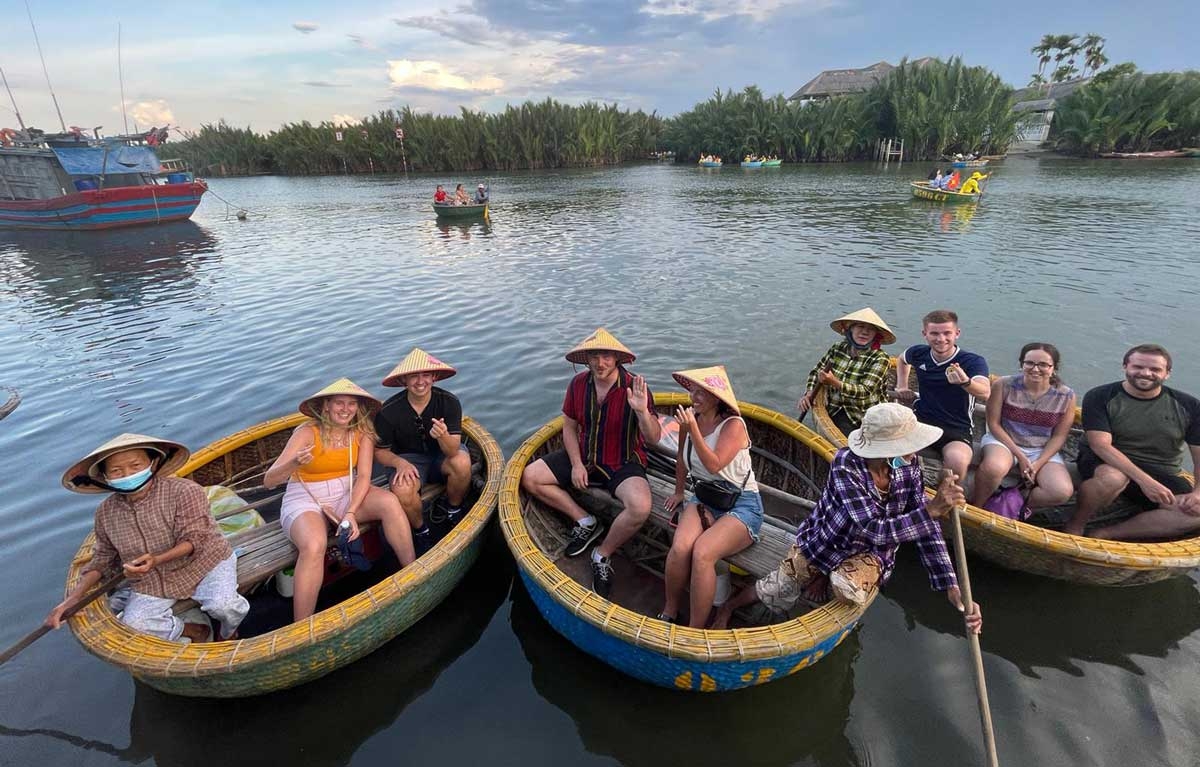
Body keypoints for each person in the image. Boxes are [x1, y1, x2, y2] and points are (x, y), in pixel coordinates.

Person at [712, 403, 982, 635]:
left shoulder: (908, 467)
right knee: (779, 586)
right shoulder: (846, 465)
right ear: (885, 450)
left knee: (846, 588)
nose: (914, 454)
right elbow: (872, 527)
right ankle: (729, 606)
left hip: (871, 551)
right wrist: (930, 511)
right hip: (825, 540)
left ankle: (826, 575)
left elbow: (926, 528)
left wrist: (951, 584)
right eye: (907, 448)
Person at [48, 434, 249, 643]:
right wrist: (73, 598)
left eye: (135, 466)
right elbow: (102, 559)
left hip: (206, 562)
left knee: (224, 606)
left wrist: (156, 559)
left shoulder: (184, 491)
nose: (127, 474)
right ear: (105, 477)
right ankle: (194, 630)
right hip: (153, 579)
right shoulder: (105, 513)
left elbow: (194, 540)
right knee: (135, 625)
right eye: (116, 471)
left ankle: (229, 631)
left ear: (153, 463)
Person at [520, 328, 661, 598]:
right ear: (586, 359)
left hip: (622, 461)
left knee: (640, 507)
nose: (600, 363)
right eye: (594, 356)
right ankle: (585, 521)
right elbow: (569, 427)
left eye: (606, 356)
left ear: (617, 358)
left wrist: (642, 411)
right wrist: (575, 463)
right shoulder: (578, 384)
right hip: (585, 455)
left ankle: (601, 554)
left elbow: (653, 438)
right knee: (530, 477)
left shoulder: (634, 387)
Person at [264, 379, 415, 622]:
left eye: (351, 404)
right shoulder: (306, 433)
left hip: (346, 492)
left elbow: (363, 477)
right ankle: (301, 624)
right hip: (305, 497)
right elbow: (269, 481)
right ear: (326, 406)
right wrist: (294, 463)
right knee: (314, 544)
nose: (345, 409)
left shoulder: (362, 432)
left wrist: (351, 513)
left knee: (389, 502)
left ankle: (412, 573)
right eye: (339, 403)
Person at [660, 366, 762, 627]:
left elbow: (714, 464)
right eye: (692, 390)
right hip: (704, 496)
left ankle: (695, 629)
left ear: (717, 398)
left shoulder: (734, 425)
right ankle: (670, 610)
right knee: (680, 548)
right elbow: (681, 459)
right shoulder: (690, 420)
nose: (694, 397)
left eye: (701, 392)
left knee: (702, 553)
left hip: (742, 503)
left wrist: (693, 428)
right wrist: (679, 492)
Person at [1063, 344, 1200, 539]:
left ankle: (1104, 534)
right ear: (1125, 367)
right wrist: (1146, 482)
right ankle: (1076, 524)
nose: (1146, 373)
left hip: (1160, 469)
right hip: (1106, 460)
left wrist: (1197, 494)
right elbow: (1101, 445)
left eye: (1155, 369)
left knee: (1195, 514)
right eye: (1138, 367)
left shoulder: (1189, 405)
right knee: (1113, 478)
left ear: (1167, 373)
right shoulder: (1100, 396)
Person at [374, 349, 473, 555]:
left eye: (426, 375)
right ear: (404, 380)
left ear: (434, 377)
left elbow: (453, 450)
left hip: (442, 456)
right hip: (407, 459)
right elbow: (380, 452)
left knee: (462, 462)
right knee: (402, 488)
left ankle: (453, 509)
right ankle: (421, 530)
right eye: (413, 376)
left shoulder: (449, 402)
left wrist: (443, 436)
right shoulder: (388, 411)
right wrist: (400, 463)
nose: (420, 382)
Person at [969, 343, 1076, 511]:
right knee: (993, 468)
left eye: (1043, 365)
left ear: (1053, 368)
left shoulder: (1066, 396)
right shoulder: (1004, 385)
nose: (1035, 369)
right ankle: (978, 506)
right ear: (1021, 364)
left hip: (1041, 448)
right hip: (1004, 441)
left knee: (1061, 491)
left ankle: (1013, 502)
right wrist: (1021, 457)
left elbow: (1059, 436)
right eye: (1030, 363)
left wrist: (1038, 463)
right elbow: (994, 424)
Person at [895, 309, 990, 488]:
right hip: (921, 419)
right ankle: (900, 488)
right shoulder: (919, 353)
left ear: (957, 333)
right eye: (934, 334)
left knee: (957, 462)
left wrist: (966, 382)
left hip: (956, 427)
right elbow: (902, 359)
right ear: (925, 334)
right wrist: (902, 385)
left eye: (947, 333)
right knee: (895, 451)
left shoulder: (972, 361)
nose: (941, 339)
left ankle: (942, 498)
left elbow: (985, 392)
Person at [797, 308, 895, 436]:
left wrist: (835, 382)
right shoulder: (838, 348)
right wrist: (809, 392)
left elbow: (865, 391)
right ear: (850, 329)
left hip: (863, 415)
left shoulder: (880, 358)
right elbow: (817, 372)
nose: (865, 332)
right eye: (860, 326)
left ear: (875, 335)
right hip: (834, 407)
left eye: (870, 329)